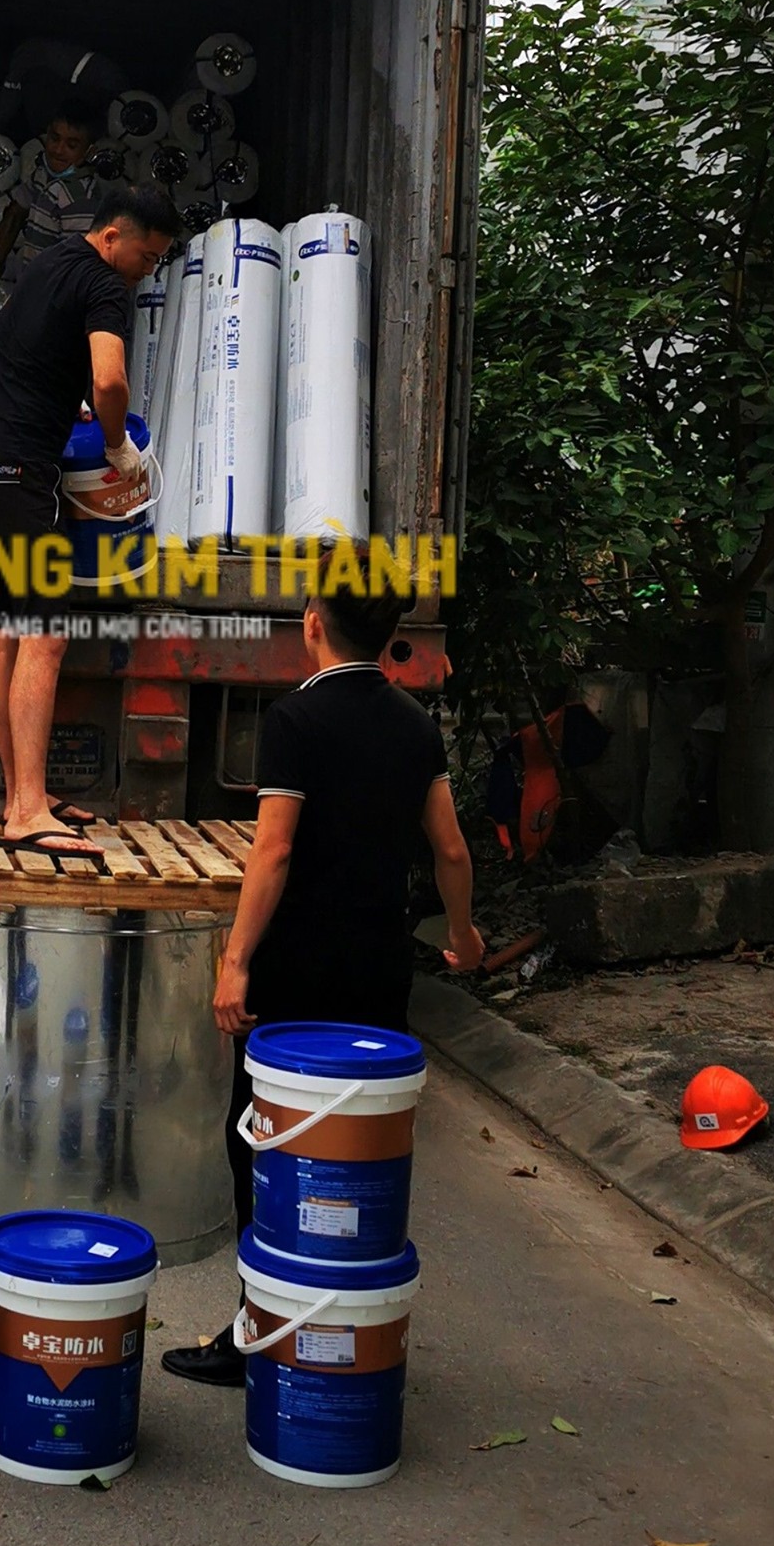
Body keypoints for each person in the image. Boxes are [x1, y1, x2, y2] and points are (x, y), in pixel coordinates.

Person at [161, 574, 483, 1387]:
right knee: (357, 1147)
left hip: (297, 974)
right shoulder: (415, 725)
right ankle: (345, 1328)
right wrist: (464, 932)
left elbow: (273, 851)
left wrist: (235, 961)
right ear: (387, 633)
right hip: (379, 970)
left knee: (268, 1146)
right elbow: (449, 849)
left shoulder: (295, 719)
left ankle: (261, 1327)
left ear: (312, 624)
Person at [0, 182, 179, 861]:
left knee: (5, 634)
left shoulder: (49, 263)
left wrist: (66, 403)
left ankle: (21, 798)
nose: (148, 271)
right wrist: (116, 443)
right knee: (46, 634)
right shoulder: (107, 285)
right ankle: (27, 810)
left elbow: (34, 356)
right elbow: (109, 381)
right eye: (147, 256)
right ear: (113, 237)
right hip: (20, 472)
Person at [0, 96, 106, 282]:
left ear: (89, 152)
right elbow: (14, 214)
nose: (58, 150)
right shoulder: (41, 175)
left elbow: (75, 265)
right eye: (54, 138)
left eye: (71, 145)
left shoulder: (80, 199)